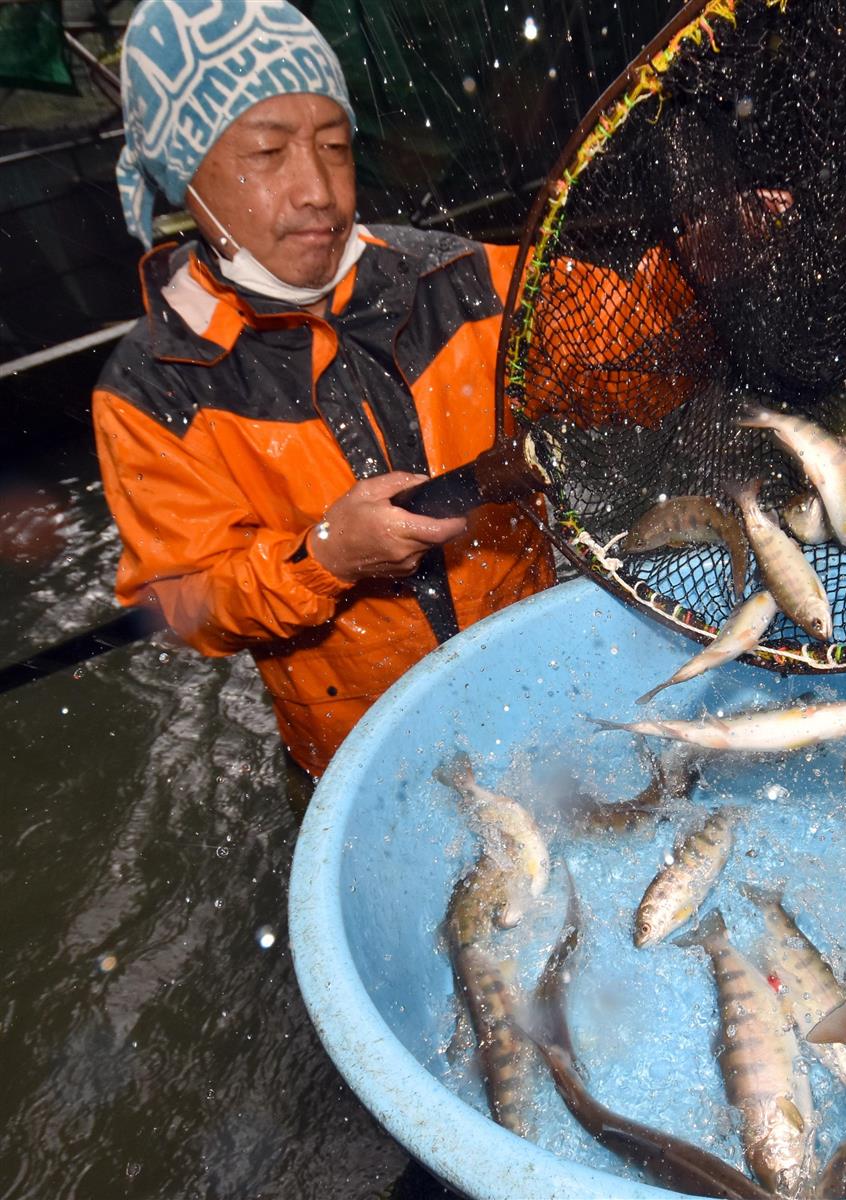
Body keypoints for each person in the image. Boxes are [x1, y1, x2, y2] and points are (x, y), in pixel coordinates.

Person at [93, 0, 558, 780]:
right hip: (362, 754)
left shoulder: (462, 276)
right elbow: (183, 602)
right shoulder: (151, 388)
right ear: (185, 177)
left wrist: (698, 275)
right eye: (268, 152)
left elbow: (615, 348)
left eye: (335, 147)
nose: (317, 189)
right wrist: (327, 557)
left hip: (541, 682)